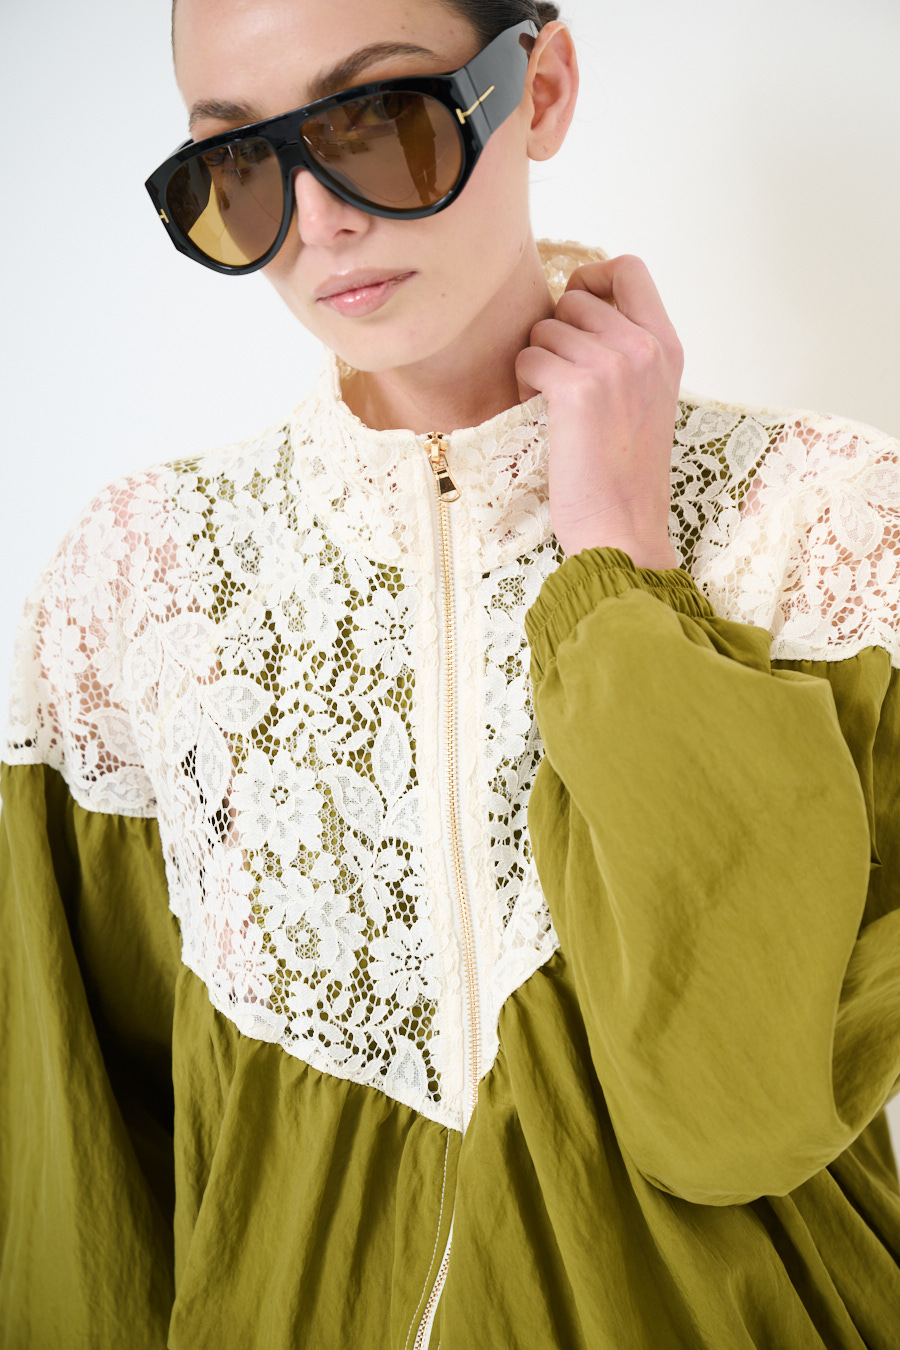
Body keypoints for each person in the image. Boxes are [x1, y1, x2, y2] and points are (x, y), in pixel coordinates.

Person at [2, 0, 899, 1345]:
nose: (316, 222)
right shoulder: (136, 585)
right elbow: (83, 1184)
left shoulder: (827, 530)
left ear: (540, 87)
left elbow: (737, 1112)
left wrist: (621, 568)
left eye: (377, 120)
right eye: (238, 164)